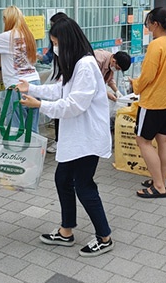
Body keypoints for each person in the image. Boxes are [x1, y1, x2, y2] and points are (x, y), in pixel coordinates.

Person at [16, 17, 114, 257]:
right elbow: (59, 89)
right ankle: (66, 230)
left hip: (88, 137)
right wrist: (32, 88)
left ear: (67, 41)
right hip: (77, 136)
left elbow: (74, 105)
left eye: (55, 43)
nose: (54, 48)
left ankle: (104, 236)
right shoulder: (75, 64)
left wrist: (39, 105)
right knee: (62, 178)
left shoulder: (86, 65)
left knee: (84, 185)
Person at [129, 7, 166, 199]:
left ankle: (159, 186)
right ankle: (161, 179)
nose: (147, 27)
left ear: (155, 24)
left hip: (154, 102)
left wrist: (135, 85)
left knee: (143, 141)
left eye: (148, 23)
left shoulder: (156, 45)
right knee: (164, 139)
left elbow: (148, 76)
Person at [0, 6, 41, 133]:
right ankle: (35, 153)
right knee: (32, 128)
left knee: (16, 129)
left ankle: (19, 153)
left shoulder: (7, 37)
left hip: (17, 86)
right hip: (34, 83)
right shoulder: (29, 36)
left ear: (7, 19)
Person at [39, 12, 70, 153]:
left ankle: (60, 141)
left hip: (62, 79)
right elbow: (50, 56)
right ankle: (61, 140)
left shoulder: (78, 59)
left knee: (61, 110)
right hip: (59, 77)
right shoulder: (57, 43)